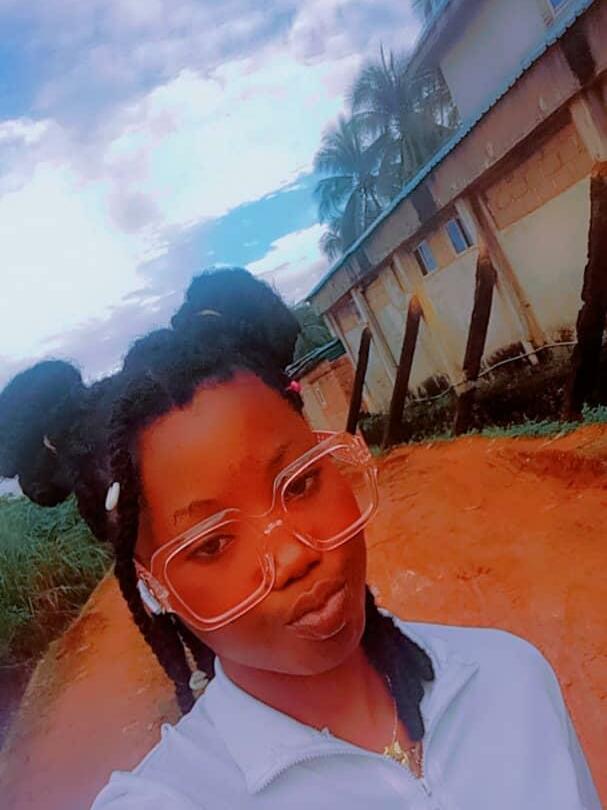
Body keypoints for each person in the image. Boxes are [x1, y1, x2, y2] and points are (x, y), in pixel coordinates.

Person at [0, 267, 600, 810]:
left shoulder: (510, 678)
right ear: (154, 588)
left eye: (301, 482)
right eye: (211, 544)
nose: (295, 554)